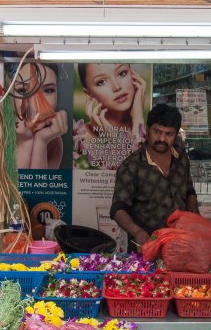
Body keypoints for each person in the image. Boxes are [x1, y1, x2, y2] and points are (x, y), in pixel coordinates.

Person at [110, 103, 199, 249]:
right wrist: (136, 231)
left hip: (180, 244)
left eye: (168, 134)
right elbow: (118, 208)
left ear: (176, 134)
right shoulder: (132, 165)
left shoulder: (181, 159)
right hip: (147, 246)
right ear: (147, 129)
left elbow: (189, 191)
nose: (162, 139)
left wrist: (195, 215)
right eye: (157, 132)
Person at [13, 63, 68, 170]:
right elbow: (10, 184)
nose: (35, 104)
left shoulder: (52, 139)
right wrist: (25, 141)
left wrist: (41, 141)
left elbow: (38, 185)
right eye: (22, 90)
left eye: (48, 90)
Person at [76, 63, 146, 144]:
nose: (117, 87)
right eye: (101, 82)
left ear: (134, 76)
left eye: (122, 73)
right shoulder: (81, 138)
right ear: (89, 94)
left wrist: (138, 120)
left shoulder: (154, 131)